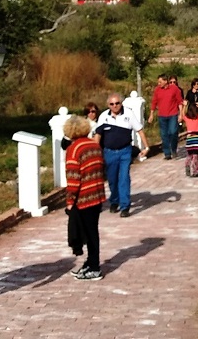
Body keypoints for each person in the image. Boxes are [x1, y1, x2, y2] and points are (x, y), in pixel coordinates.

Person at [62, 114, 105, 280]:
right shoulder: (94, 146)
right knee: (92, 230)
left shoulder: (74, 149)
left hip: (84, 197)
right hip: (97, 194)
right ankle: (90, 262)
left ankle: (94, 267)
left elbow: (73, 178)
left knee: (89, 233)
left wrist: (70, 202)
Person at [95, 93, 137, 217]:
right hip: (109, 152)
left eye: (117, 103)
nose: (115, 106)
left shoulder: (128, 114)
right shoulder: (103, 116)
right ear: (108, 105)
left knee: (124, 178)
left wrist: (146, 147)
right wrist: (95, 152)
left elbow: (139, 129)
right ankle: (114, 200)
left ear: (121, 103)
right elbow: (98, 136)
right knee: (112, 179)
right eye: (112, 104)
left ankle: (125, 206)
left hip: (125, 151)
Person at [152, 74, 184, 160]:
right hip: (162, 115)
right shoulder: (157, 90)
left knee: (173, 132)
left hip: (172, 114)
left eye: (160, 82)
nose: (159, 84)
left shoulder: (174, 89)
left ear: (165, 81)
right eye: (158, 82)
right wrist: (151, 113)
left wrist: (181, 114)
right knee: (164, 134)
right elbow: (154, 102)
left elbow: (179, 102)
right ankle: (167, 153)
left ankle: (173, 149)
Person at [181, 99, 198, 177]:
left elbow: (182, 114)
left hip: (189, 137)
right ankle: (195, 171)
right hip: (196, 138)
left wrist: (184, 106)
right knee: (196, 155)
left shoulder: (187, 118)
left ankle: (187, 163)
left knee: (190, 154)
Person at [122, 90, 149, 161]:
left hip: (137, 121)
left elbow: (140, 131)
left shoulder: (131, 112)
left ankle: (139, 152)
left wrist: (146, 147)